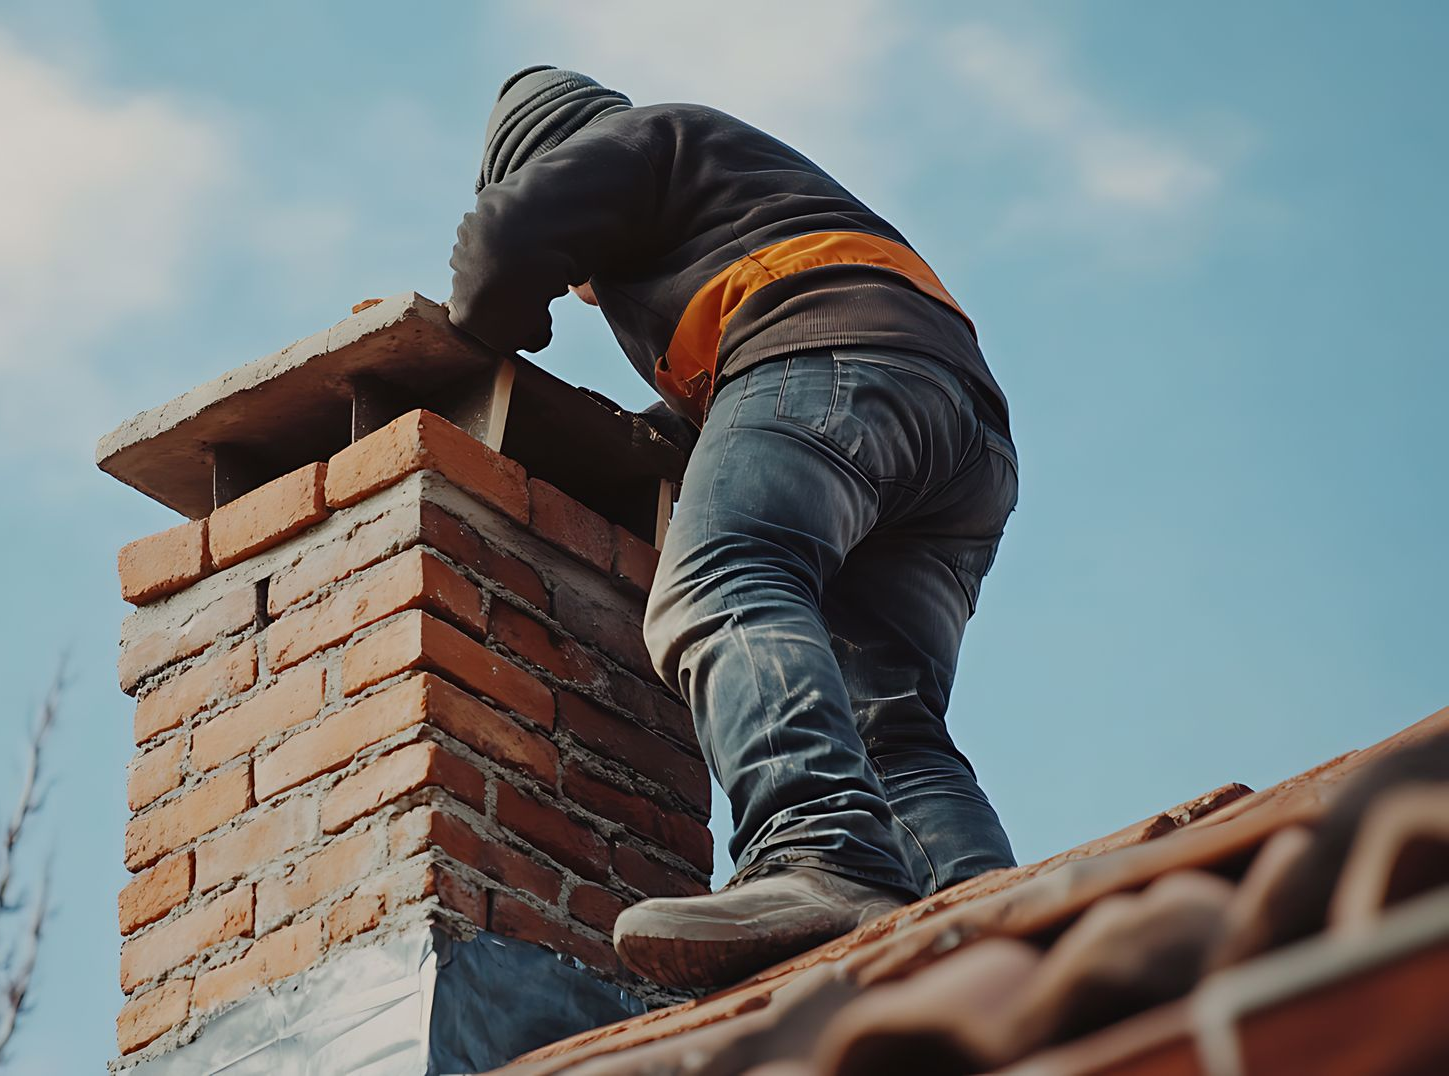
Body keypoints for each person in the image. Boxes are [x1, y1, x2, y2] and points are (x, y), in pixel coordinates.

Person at [448, 66, 1019, 990]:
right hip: (955, 433)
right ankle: (988, 915)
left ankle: (817, 851)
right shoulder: (731, 208)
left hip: (830, 357)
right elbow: (748, 409)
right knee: (885, 723)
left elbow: (500, 241)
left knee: (721, 578)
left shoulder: (644, 142)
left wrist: (492, 329)